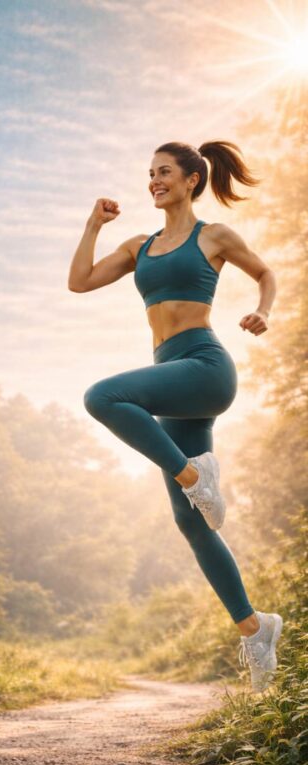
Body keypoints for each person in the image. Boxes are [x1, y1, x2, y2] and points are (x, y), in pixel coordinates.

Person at [68, 140, 283, 693]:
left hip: (204, 366)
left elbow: (265, 274)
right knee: (192, 523)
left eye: (164, 172)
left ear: (191, 179)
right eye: (149, 174)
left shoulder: (213, 235)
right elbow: (80, 281)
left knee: (103, 397)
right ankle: (255, 629)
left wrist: (262, 310)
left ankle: (195, 474)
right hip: (170, 373)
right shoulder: (139, 245)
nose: (154, 181)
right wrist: (93, 224)